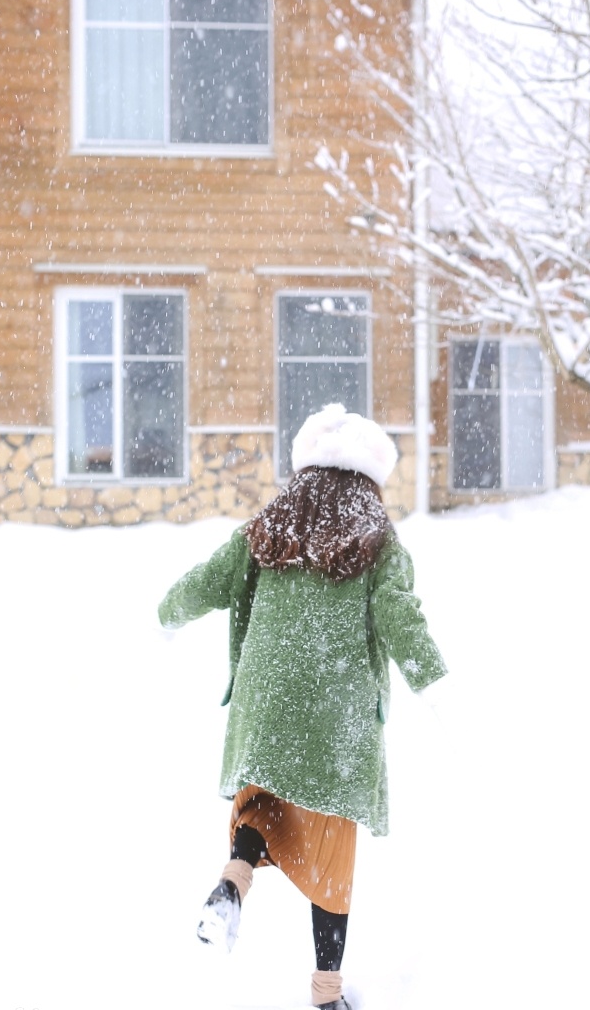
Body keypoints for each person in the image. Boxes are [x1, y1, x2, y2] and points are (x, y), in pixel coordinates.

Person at [158, 403, 448, 1010]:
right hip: (335, 721)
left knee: (260, 811)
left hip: (266, 705)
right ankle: (326, 994)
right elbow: (399, 614)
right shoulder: (378, 543)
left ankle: (231, 887)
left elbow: (208, 580)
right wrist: (432, 681)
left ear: (305, 473)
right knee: (330, 855)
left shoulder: (268, 529)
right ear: (368, 482)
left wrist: (167, 617)